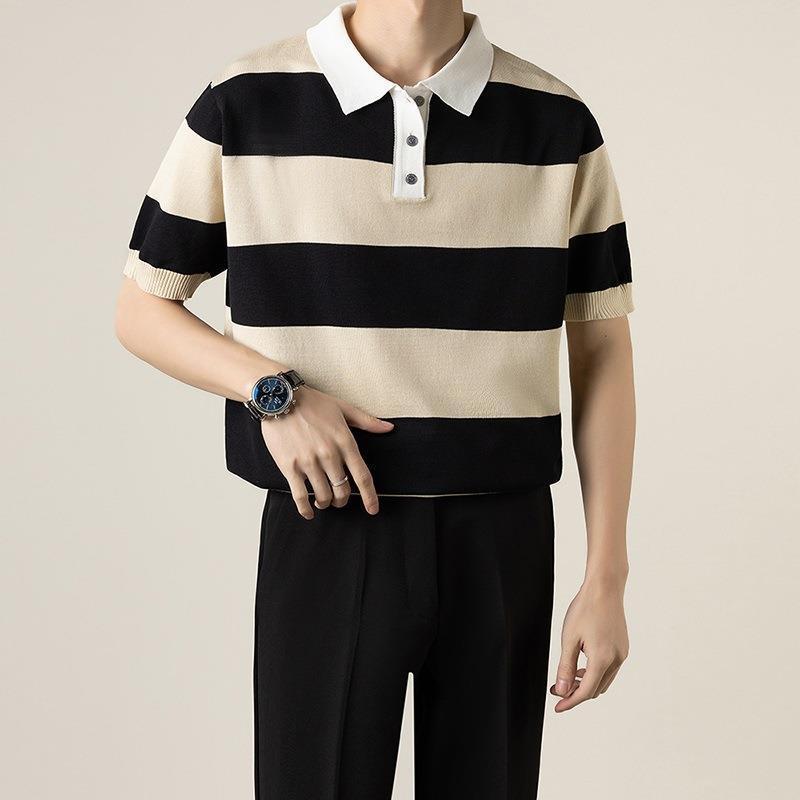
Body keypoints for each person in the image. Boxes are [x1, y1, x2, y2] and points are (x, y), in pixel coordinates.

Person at [115, 1, 635, 797]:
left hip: (504, 539)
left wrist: (606, 578)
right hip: (326, 523)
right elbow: (142, 306)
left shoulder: (556, 120)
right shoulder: (246, 100)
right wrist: (274, 394)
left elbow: (601, 351)